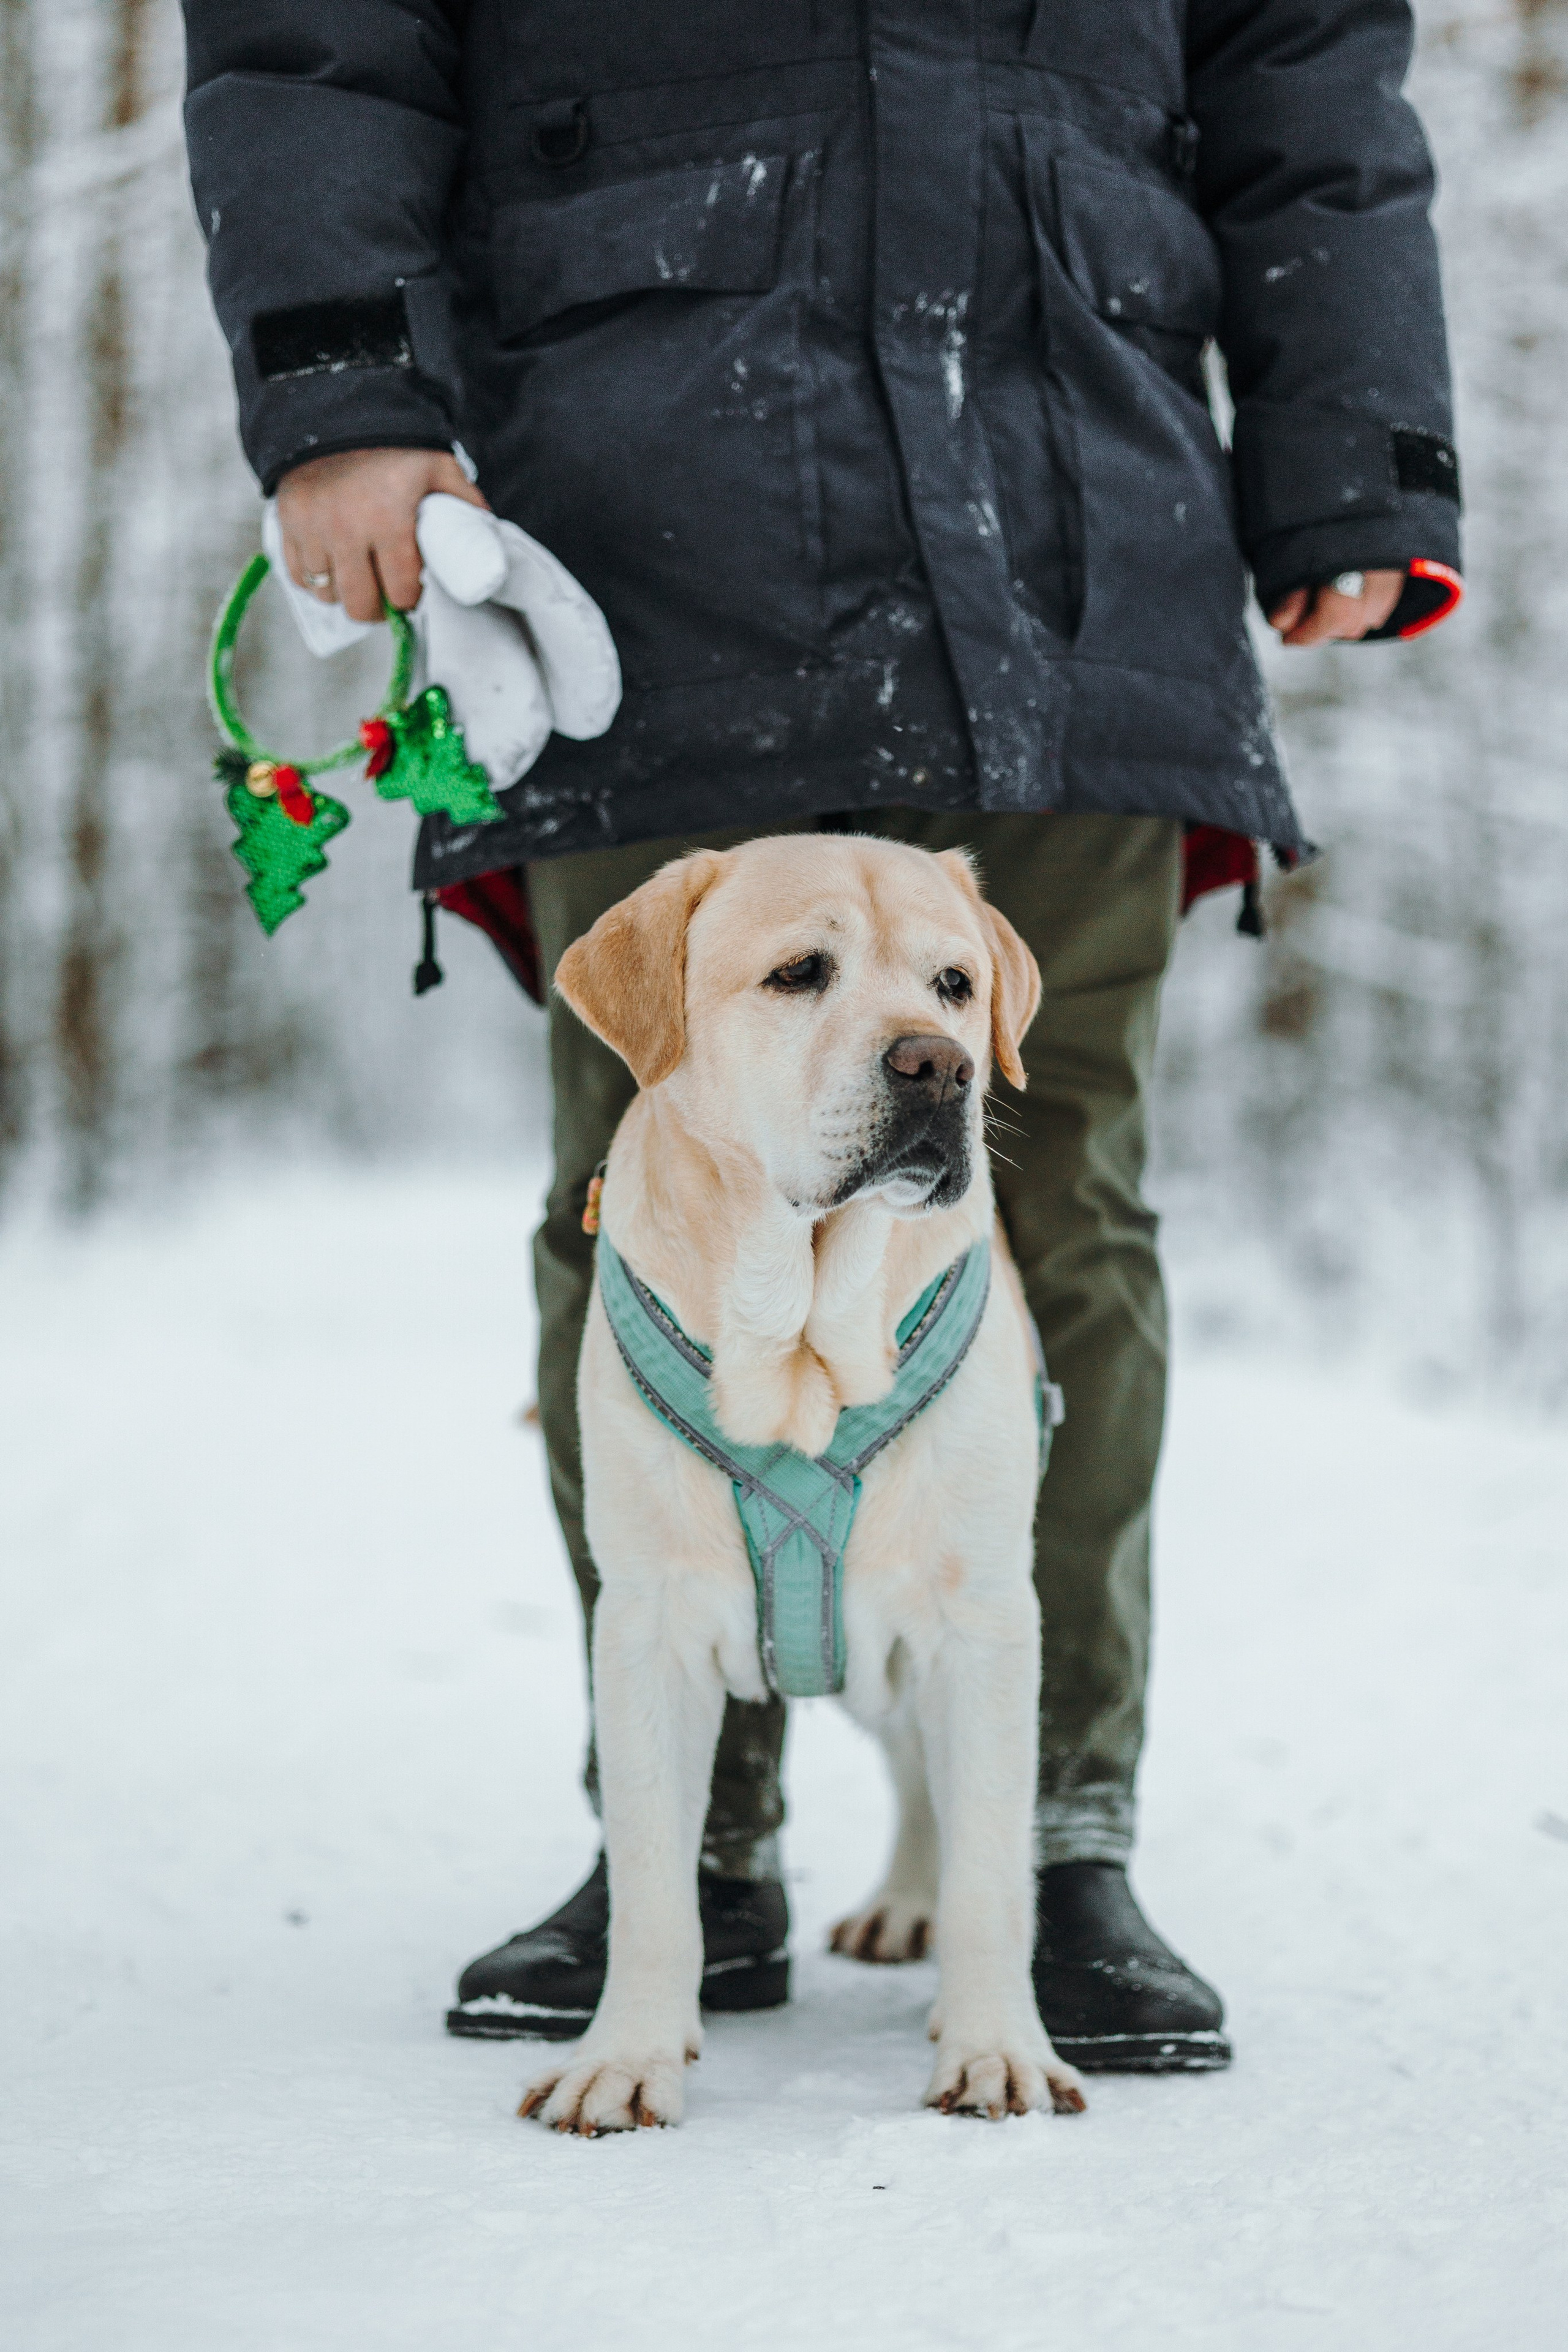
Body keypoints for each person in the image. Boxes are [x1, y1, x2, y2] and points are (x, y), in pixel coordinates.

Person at [182, 1, 1461, 2073]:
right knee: (647, 1198)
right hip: (642, 491)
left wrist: (1354, 444)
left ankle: (1054, 1843)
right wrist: (344, 378)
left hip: (1077, 494)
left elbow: (1304, 46)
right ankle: (689, 1846)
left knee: (1068, 1213)